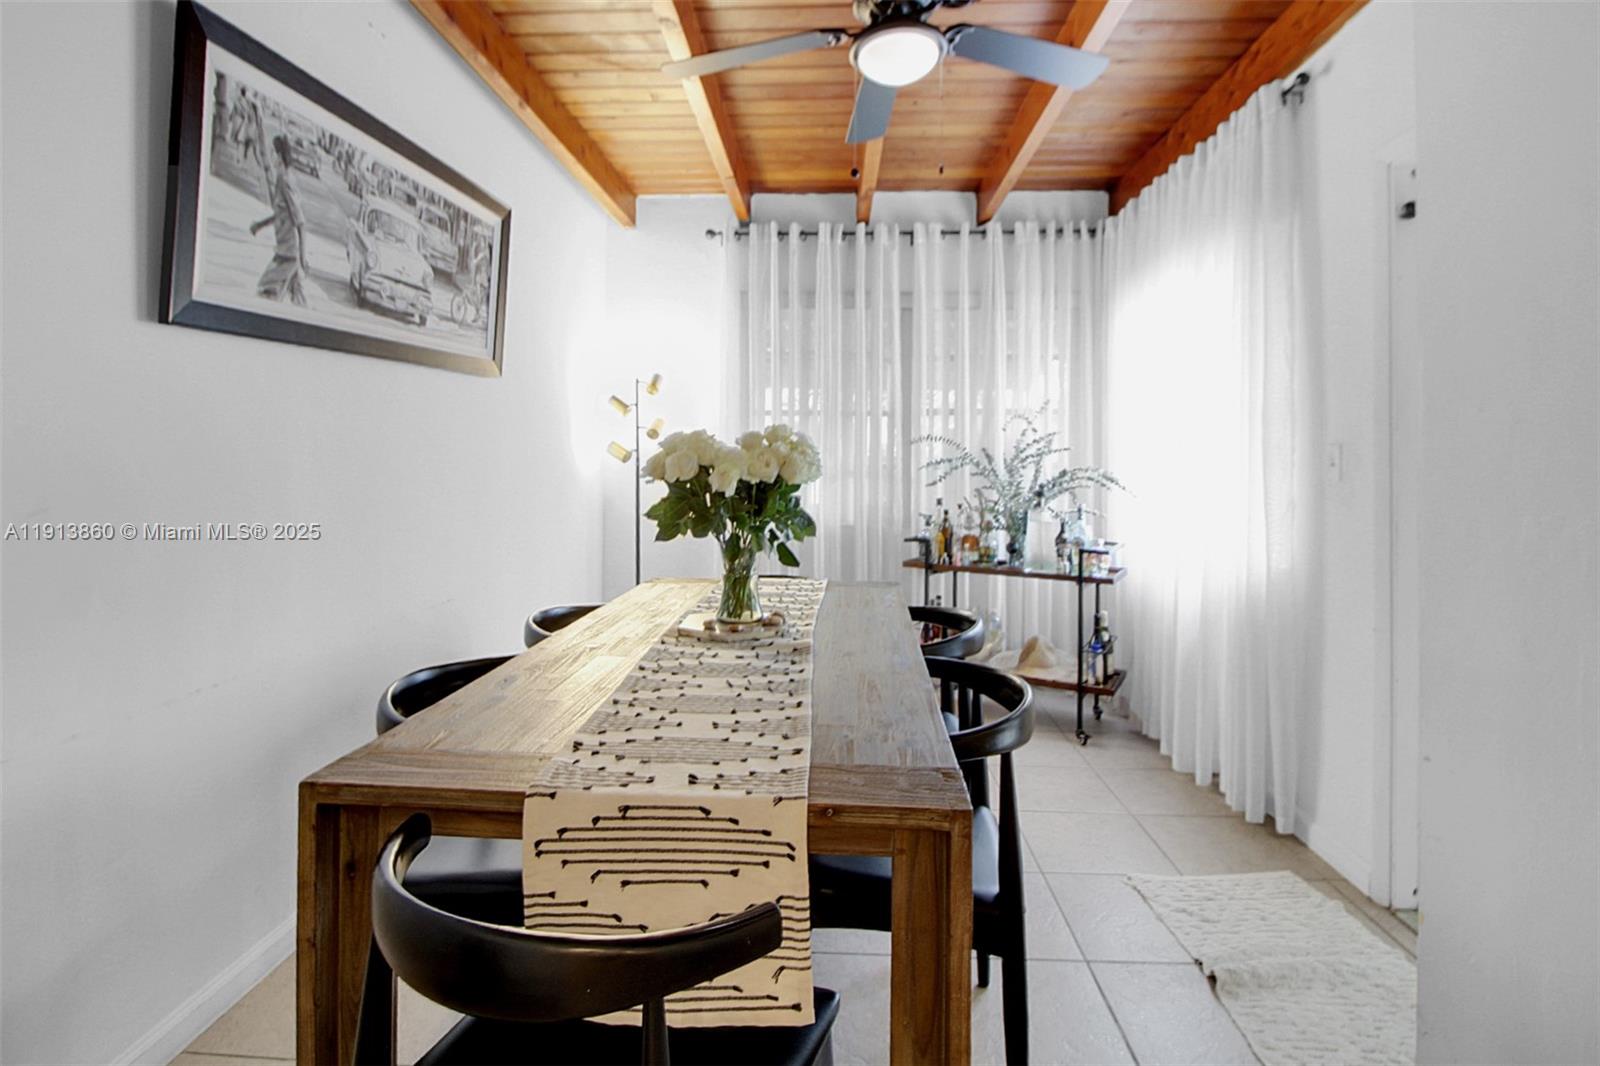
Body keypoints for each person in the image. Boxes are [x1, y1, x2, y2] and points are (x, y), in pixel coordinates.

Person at [249, 135, 308, 306]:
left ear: (280, 156)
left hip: (288, 255)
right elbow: (281, 214)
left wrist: (302, 257)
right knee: (299, 302)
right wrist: (259, 225)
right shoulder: (282, 179)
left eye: (273, 152)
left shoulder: (285, 180)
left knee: (266, 291)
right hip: (287, 251)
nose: (270, 155)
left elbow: (300, 222)